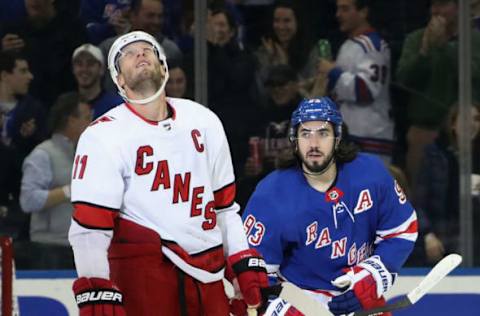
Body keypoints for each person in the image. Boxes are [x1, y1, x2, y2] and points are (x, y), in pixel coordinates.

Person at [68, 30, 268, 316]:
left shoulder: (204, 120)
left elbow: (224, 208)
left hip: (209, 282)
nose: (139, 53)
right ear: (119, 79)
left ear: (163, 66)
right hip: (146, 281)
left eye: (147, 49)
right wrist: (95, 285)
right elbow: (90, 227)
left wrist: (240, 259)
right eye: (127, 53)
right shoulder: (102, 135)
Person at [242, 97, 418, 315]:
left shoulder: (371, 174)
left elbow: (401, 230)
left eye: (323, 133)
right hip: (302, 298)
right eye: (305, 133)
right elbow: (253, 275)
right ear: (294, 139)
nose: (314, 144)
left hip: (359, 294)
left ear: (337, 137)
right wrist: (282, 309)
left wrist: (373, 276)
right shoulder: (270, 195)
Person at [396, 0, 480, 184]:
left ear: (459, 7)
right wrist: (425, 52)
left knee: (467, 201)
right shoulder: (416, 39)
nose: (436, 11)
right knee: (422, 199)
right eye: (432, 5)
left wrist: (444, 47)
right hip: (425, 132)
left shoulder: (474, 40)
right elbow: (403, 79)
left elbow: (472, 72)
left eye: (442, 4)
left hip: (466, 138)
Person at [17, 92, 92, 269]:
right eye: (87, 117)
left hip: (81, 247)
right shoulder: (42, 155)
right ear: (71, 120)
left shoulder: (84, 155)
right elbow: (28, 200)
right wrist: (69, 191)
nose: (92, 123)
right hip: (49, 249)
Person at [318, 0, 395, 162]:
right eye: (338, 9)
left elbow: (365, 90)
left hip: (370, 138)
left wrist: (333, 73)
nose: (338, 14)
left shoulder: (372, 46)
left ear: (363, 12)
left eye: (345, 9)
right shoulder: (349, 44)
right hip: (350, 135)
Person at [413, 104, 480, 264]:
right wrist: (428, 235)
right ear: (453, 125)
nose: (471, 124)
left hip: (475, 238)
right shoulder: (435, 156)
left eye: (476, 119)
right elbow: (419, 203)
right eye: (465, 119)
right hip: (440, 236)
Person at [99, 0, 183, 93]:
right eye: (150, 16)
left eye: (160, 16)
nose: (156, 21)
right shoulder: (109, 48)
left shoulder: (171, 50)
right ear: (133, 16)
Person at [72, 43, 123, 119]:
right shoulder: (68, 106)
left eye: (90, 64)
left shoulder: (116, 105)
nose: (84, 69)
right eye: (79, 64)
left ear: (101, 69)